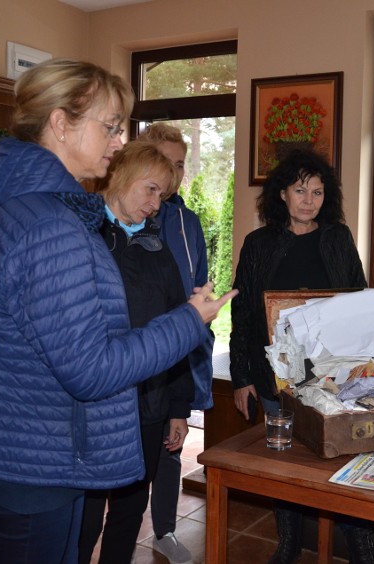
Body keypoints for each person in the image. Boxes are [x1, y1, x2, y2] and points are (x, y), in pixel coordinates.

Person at [0, 59, 235, 564]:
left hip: (9, 445)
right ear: (61, 124)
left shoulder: (6, 209)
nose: (118, 142)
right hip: (37, 462)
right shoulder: (52, 227)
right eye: (110, 127)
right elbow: (93, 371)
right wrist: (188, 321)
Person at [229, 148, 372, 564]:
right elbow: (243, 315)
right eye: (300, 190)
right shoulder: (258, 245)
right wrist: (241, 377)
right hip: (275, 375)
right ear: (282, 195)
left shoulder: (339, 239)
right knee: (283, 461)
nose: (309, 200)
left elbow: (358, 304)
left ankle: (361, 551)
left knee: (341, 459)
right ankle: (288, 543)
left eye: (317, 191)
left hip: (332, 377)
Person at [77, 142, 192, 564]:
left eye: (161, 194)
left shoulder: (157, 252)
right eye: (150, 190)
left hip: (147, 403)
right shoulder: (80, 238)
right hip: (91, 404)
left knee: (129, 509)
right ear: (122, 178)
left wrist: (178, 408)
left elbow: (178, 333)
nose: (155, 204)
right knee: (85, 513)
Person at [140, 123, 214, 563]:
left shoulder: (188, 221)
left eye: (181, 163)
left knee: (172, 440)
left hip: (180, 350)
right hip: (138, 350)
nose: (174, 172)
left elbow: (200, 277)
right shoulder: (129, 216)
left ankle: (164, 530)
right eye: (165, 162)